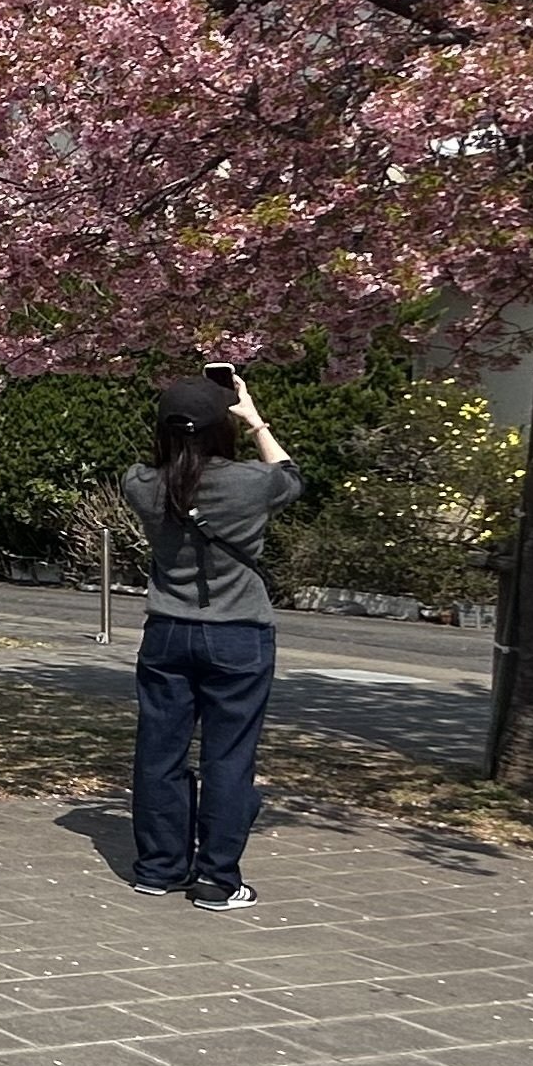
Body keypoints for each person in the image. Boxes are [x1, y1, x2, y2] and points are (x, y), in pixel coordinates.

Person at [119, 368, 301, 909]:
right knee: (230, 756)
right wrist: (254, 420)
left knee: (160, 751)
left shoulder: (141, 483)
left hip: (167, 632)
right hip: (239, 633)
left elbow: (157, 469)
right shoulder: (250, 483)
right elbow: (292, 476)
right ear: (220, 427)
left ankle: (158, 867)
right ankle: (218, 879)